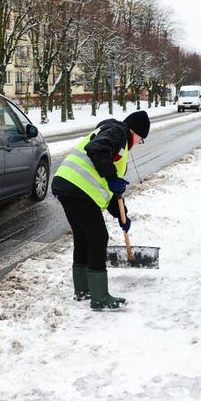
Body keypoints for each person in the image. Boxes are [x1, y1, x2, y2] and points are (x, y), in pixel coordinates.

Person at [52, 111, 150, 310]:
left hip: (66, 184)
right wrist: (112, 177)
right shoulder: (119, 132)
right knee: (98, 238)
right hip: (77, 188)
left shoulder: (113, 135)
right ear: (136, 132)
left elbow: (108, 187)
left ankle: (83, 290)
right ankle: (99, 297)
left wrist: (121, 215)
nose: (139, 143)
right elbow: (97, 149)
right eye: (142, 139)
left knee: (83, 237)